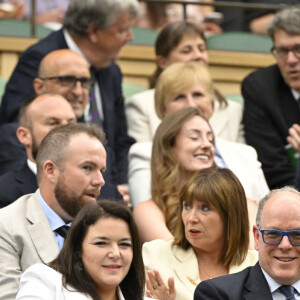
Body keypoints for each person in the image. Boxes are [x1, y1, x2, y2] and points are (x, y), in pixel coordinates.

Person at [0, 0, 138, 192]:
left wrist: (120, 186)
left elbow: (120, 139)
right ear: (94, 31)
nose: (129, 37)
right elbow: (18, 130)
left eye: (84, 82)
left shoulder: (110, 70)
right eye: (122, 30)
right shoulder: (40, 58)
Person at [129, 62, 269, 209]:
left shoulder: (246, 154)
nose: (191, 104)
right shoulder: (144, 153)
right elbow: (144, 214)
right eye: (179, 97)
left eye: (198, 95)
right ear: (163, 108)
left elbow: (267, 213)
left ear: (211, 103)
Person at [0, 123, 106, 300]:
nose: (100, 181)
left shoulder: (108, 227)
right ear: (51, 170)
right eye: (87, 167)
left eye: (102, 170)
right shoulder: (6, 226)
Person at [132, 107, 259, 249]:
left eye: (210, 140)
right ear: (169, 146)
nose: (207, 145)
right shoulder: (147, 210)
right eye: (194, 137)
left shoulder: (244, 204)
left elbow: (252, 256)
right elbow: (173, 258)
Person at [143, 167, 258, 300]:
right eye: (187, 206)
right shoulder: (155, 255)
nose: (191, 218)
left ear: (230, 216)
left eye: (205, 208)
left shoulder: (256, 265)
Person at [125, 20, 244, 144]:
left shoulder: (233, 110)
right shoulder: (142, 106)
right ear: (162, 62)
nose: (198, 55)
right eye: (187, 50)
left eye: (202, 49)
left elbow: (242, 159)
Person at [0, 93, 121, 208]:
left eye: (71, 124)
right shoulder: (4, 192)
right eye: (53, 123)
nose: (66, 132)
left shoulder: (110, 195)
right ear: (24, 135)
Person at [16, 200, 151, 300]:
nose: (115, 253)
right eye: (101, 243)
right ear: (77, 249)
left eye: (125, 244)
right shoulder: (44, 280)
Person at [194, 186, 300, 299]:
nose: (285, 245)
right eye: (273, 234)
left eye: (297, 235)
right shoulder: (217, 294)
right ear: (256, 237)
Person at [242, 6, 300, 189]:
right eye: (282, 51)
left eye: (298, 49)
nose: (290, 60)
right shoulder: (260, 89)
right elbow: (273, 171)